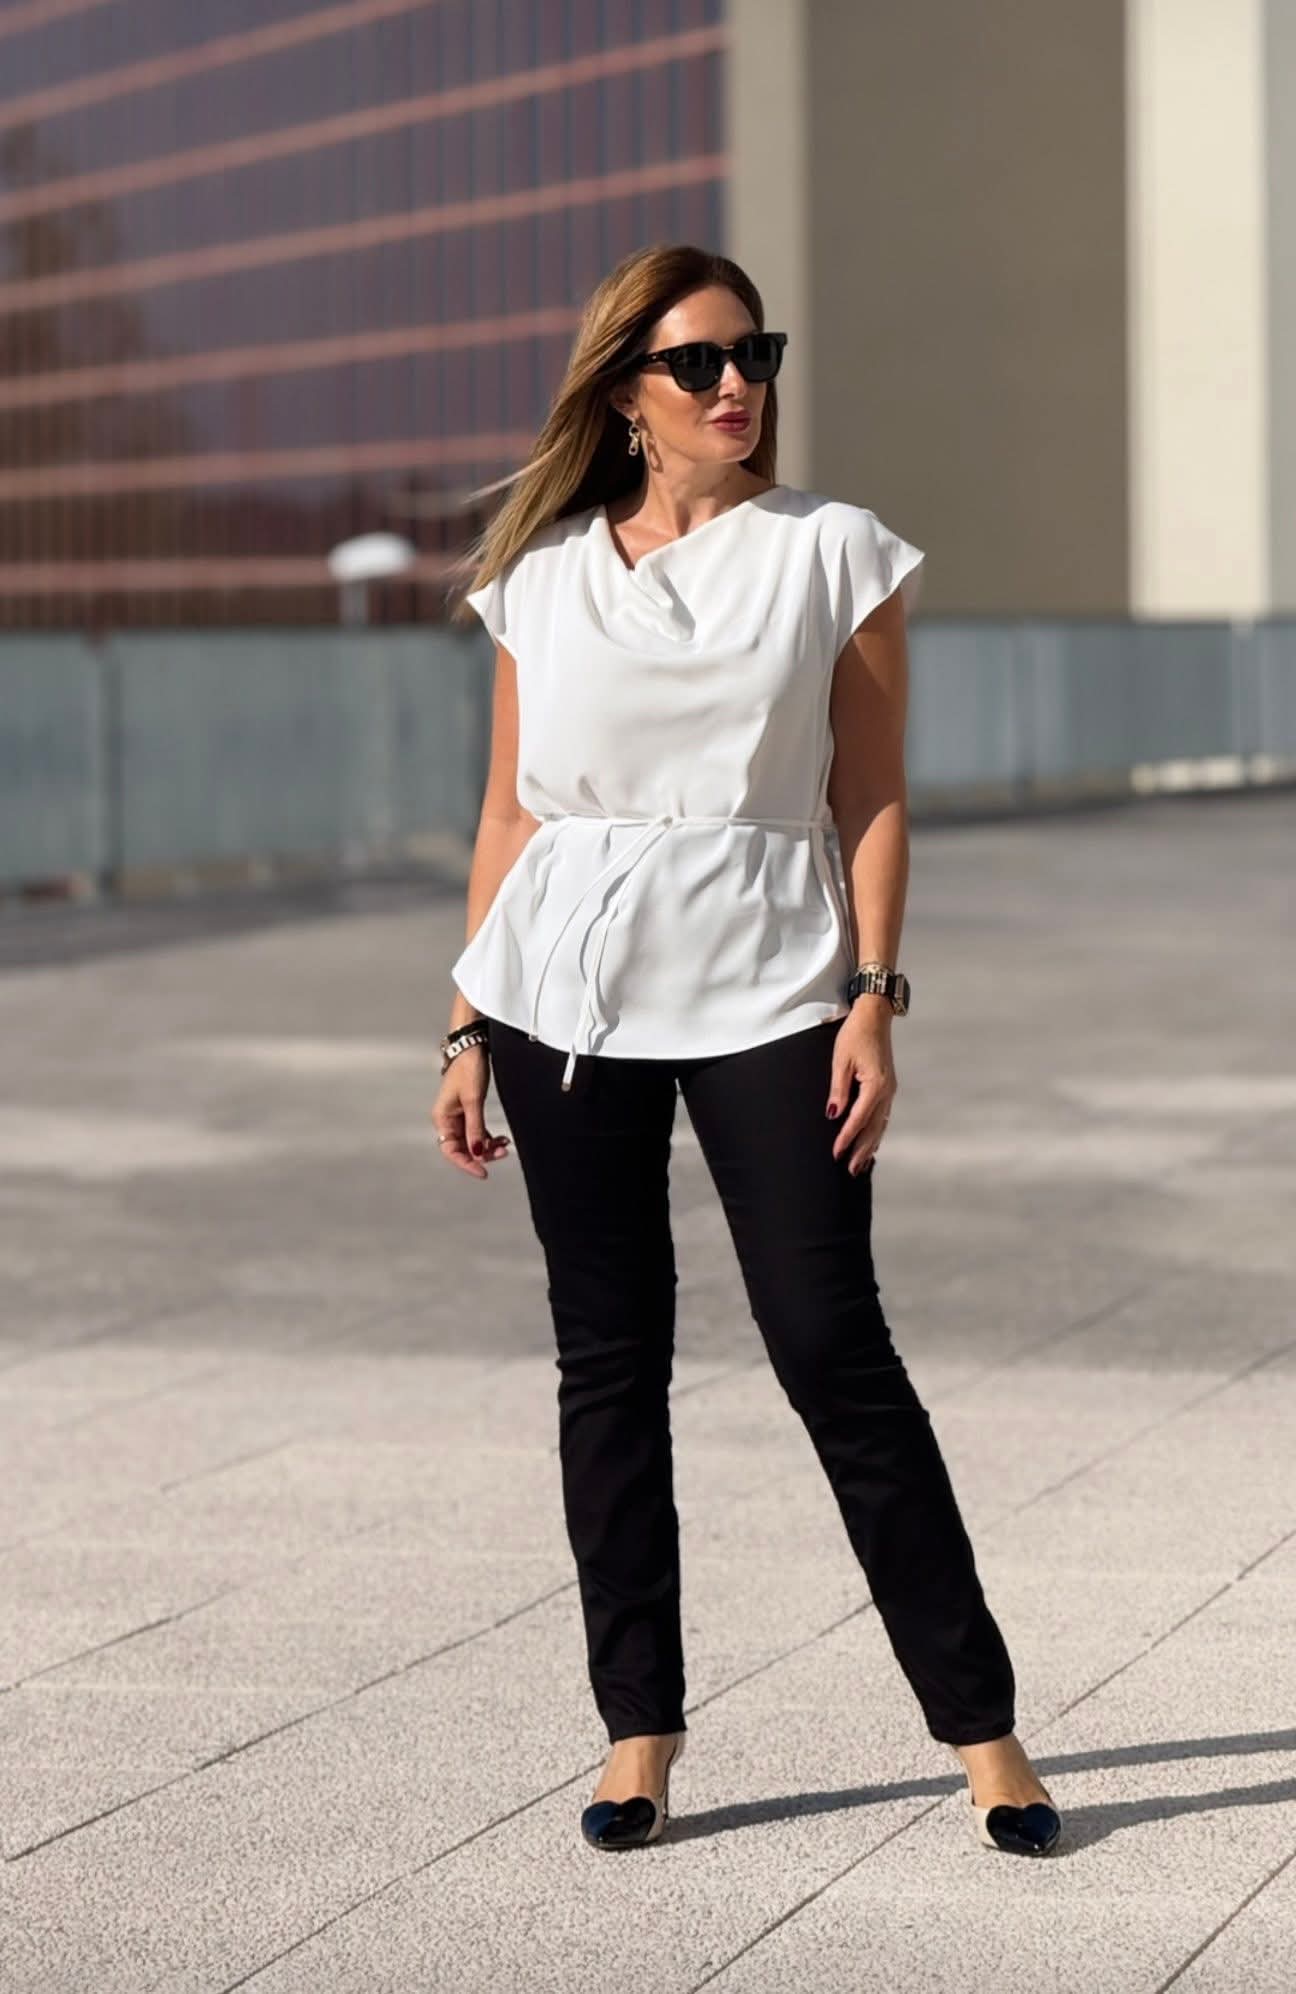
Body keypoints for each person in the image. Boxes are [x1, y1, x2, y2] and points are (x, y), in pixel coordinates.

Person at [434, 244, 1062, 1859]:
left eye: (754, 354)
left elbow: (873, 790)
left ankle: (983, 1730)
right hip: (560, 996)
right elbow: (510, 814)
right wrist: (464, 1018)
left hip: (776, 982)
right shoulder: (543, 575)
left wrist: (876, 994)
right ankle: (636, 1727)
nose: (738, 386)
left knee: (830, 1341)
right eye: (700, 361)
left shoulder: (833, 551)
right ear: (624, 394)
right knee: (608, 1356)